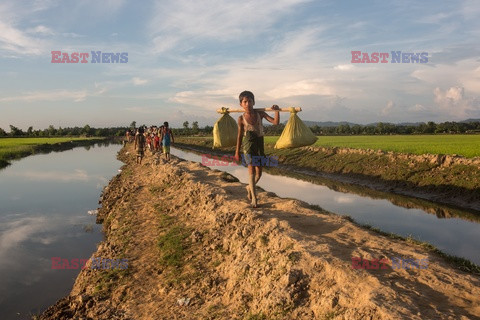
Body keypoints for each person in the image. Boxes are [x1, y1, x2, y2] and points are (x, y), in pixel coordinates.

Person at [234, 91, 279, 208]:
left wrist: (276, 111)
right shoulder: (241, 119)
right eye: (245, 102)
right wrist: (236, 152)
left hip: (259, 145)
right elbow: (239, 136)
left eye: (250, 101)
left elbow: (275, 122)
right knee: (252, 172)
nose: (248, 104)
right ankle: (254, 198)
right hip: (248, 146)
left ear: (254, 102)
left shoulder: (260, 114)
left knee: (259, 173)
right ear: (241, 104)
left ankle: (249, 187)